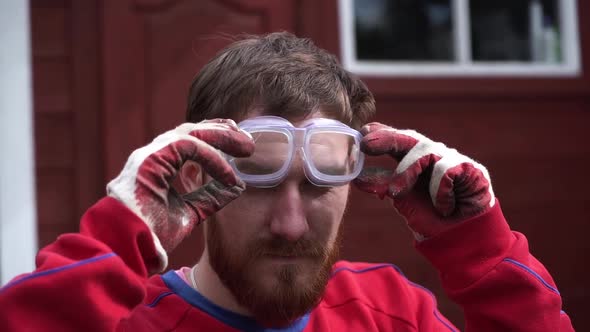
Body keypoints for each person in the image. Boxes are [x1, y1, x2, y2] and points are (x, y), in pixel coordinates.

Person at [0, 32, 573, 332]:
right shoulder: (127, 325)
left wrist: (481, 248)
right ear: (195, 178)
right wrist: (122, 231)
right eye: (259, 181)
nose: (291, 223)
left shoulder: (391, 313)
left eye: (320, 185)